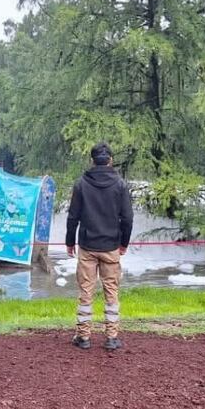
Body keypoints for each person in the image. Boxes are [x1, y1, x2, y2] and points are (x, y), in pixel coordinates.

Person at [65, 142, 133, 350]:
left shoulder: (81, 184)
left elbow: (73, 217)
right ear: (110, 160)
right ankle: (112, 336)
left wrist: (70, 241)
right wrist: (124, 243)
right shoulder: (120, 184)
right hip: (111, 245)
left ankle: (83, 337)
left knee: (86, 290)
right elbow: (127, 218)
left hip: (87, 245)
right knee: (111, 290)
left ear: (92, 160)